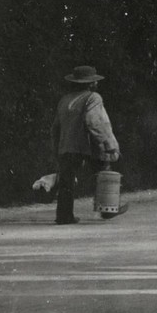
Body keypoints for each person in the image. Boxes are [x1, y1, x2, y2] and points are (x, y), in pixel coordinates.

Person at [51, 65, 122, 225]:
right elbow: (94, 121)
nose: (96, 83)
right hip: (86, 145)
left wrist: (56, 148)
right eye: (94, 81)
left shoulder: (64, 99)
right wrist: (108, 143)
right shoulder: (93, 97)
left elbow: (55, 127)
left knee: (66, 181)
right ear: (90, 84)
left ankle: (64, 216)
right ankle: (107, 209)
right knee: (103, 170)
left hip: (66, 145)